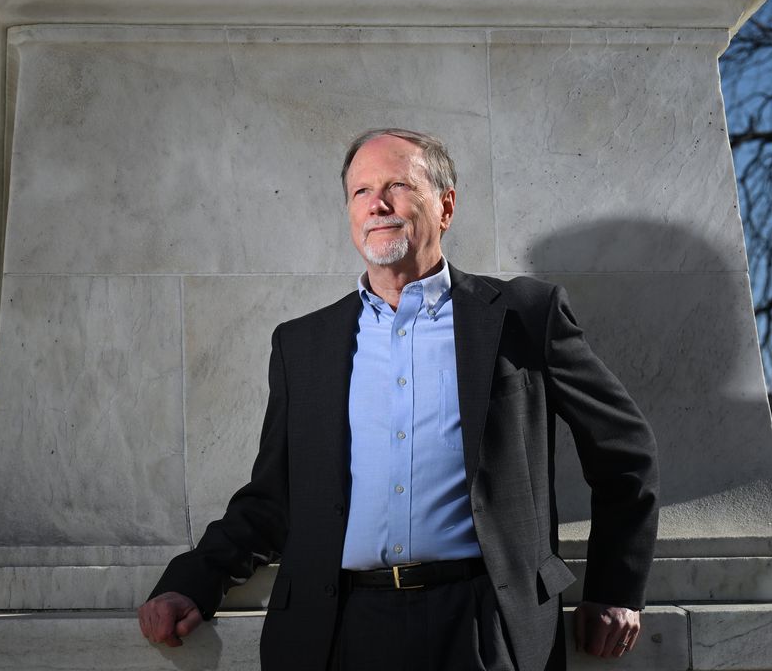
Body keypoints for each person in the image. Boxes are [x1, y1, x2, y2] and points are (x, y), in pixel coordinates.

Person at [138, 128, 659, 671]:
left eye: (396, 186)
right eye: (360, 192)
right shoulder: (304, 345)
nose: (377, 204)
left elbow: (625, 451)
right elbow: (274, 500)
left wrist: (616, 587)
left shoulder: (523, 316)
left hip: (485, 624)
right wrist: (193, 582)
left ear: (446, 206)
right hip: (341, 629)